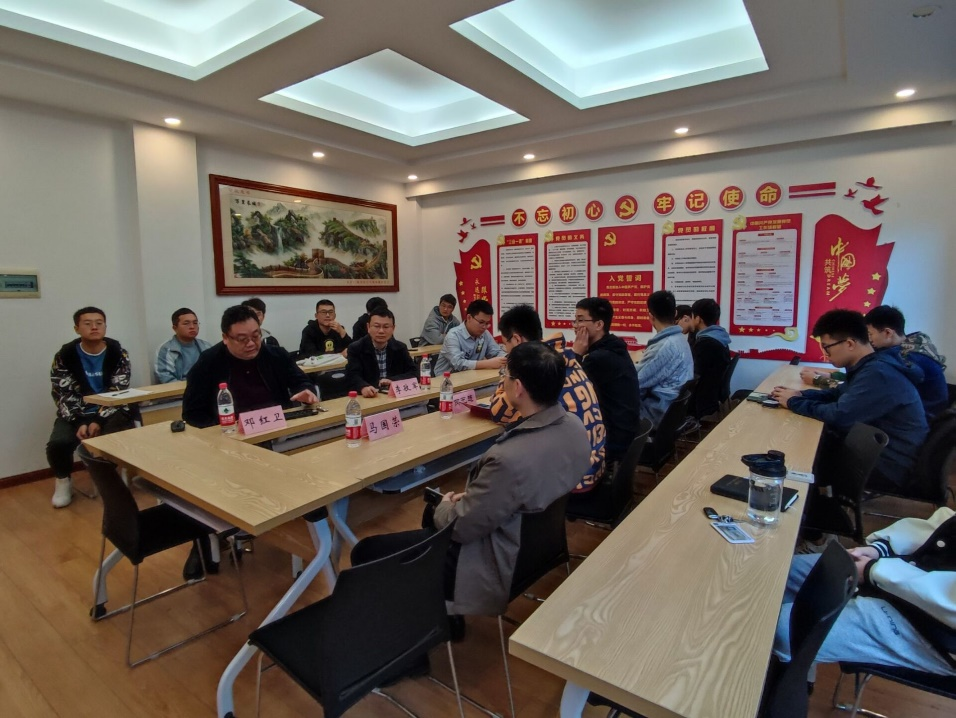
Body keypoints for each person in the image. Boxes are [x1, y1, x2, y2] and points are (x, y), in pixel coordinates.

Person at [774, 507, 956, 681]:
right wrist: (879, 550)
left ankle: (783, 689)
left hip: (933, 627)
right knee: (782, 573)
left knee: (781, 629)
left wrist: (872, 571)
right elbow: (947, 525)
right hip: (900, 577)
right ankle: (802, 670)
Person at [770, 309, 928, 492]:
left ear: (850, 344)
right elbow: (837, 394)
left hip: (886, 465)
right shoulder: (871, 366)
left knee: (801, 458)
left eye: (827, 347)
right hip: (871, 451)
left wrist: (793, 402)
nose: (825, 354)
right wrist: (800, 394)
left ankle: (813, 506)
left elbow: (839, 416)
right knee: (804, 447)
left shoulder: (878, 373)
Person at [491, 304, 606, 492]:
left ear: (517, 340)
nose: (506, 351)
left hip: (572, 482)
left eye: (506, 344)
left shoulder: (534, 368)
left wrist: (507, 372)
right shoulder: (566, 358)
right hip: (594, 467)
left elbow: (498, 413)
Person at [47, 307, 135, 508]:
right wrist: (80, 421)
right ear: (76, 328)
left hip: (111, 410)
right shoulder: (64, 355)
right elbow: (63, 393)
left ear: (105, 326)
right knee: (58, 443)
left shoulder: (118, 353)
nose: (94, 327)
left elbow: (118, 391)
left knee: (114, 439)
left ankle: (109, 480)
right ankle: (63, 481)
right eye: (87, 323)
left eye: (99, 323)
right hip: (75, 413)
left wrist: (98, 420)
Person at [182, 305, 317, 428]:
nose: (251, 343)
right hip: (232, 433)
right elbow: (192, 413)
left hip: (278, 427)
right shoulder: (208, 362)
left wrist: (307, 392)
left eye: (256, 336)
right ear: (225, 338)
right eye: (242, 339)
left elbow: (302, 382)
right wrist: (222, 430)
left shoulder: (276, 355)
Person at [571, 297, 641, 464]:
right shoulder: (614, 347)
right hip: (625, 431)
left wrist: (576, 354)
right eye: (575, 320)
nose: (575, 326)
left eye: (580, 320)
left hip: (612, 439)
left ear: (599, 324)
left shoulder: (599, 358)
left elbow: (569, 387)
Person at [865, 305, 948, 420]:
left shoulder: (911, 358)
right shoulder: (912, 347)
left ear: (888, 333)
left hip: (925, 418)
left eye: (870, 334)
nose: (869, 340)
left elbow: (885, 392)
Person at [635, 290, 694, 428]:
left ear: (650, 316)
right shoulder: (680, 339)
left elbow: (635, 383)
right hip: (671, 411)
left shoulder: (664, 346)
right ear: (675, 313)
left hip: (655, 413)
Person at [345, 306, 417, 397]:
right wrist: (363, 387)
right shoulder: (356, 348)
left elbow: (414, 372)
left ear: (393, 328)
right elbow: (352, 375)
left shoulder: (400, 347)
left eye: (386, 327)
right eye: (377, 326)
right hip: (369, 397)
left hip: (393, 396)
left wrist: (392, 380)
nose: (381, 331)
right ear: (368, 327)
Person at [433, 299, 506, 375]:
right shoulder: (453, 335)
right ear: (469, 317)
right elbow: (458, 363)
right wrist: (488, 363)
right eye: (481, 322)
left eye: (487, 323)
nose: (484, 327)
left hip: (472, 376)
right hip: (446, 379)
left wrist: (506, 358)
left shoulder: (485, 334)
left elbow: (496, 352)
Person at [688, 298, 731, 419]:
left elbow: (693, 375)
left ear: (698, 319)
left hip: (700, 400)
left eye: (692, 316)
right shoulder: (719, 337)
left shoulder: (705, 343)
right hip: (712, 395)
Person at [155, 307, 211, 383]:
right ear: (175, 328)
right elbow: (166, 378)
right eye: (186, 323)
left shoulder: (206, 346)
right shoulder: (166, 349)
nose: (192, 327)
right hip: (180, 389)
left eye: (195, 323)